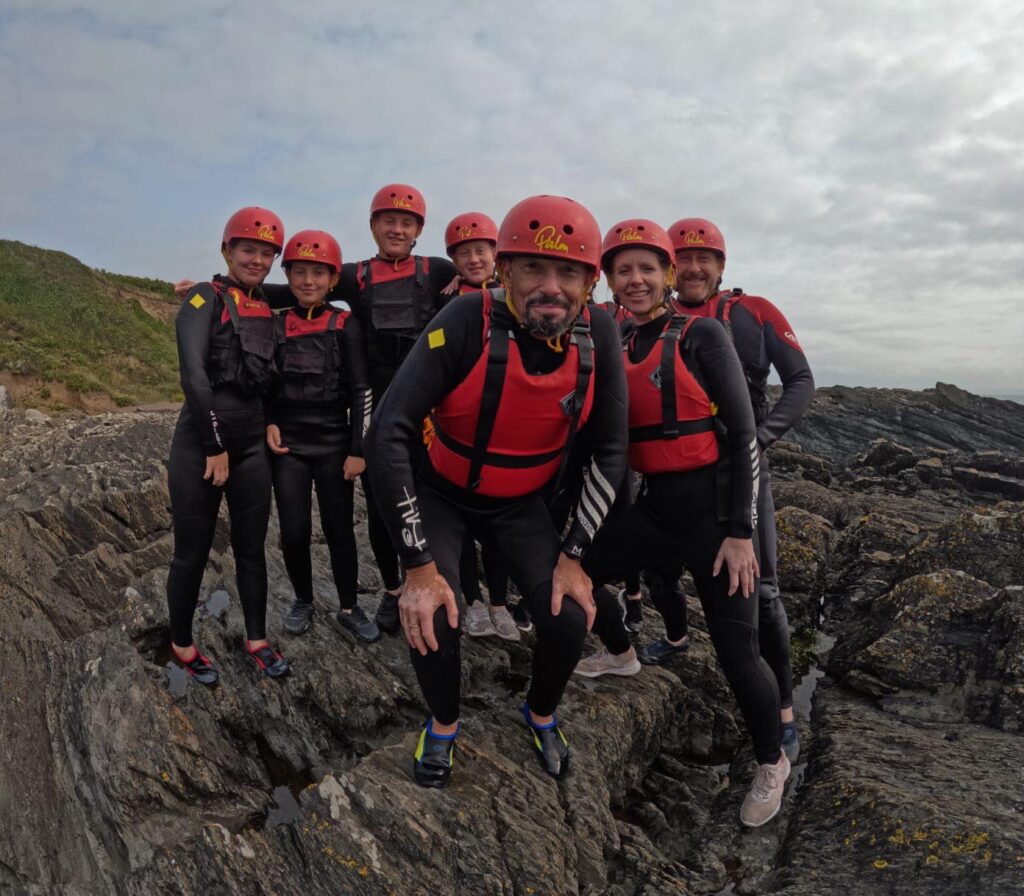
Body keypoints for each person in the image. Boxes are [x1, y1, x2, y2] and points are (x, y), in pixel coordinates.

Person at [366, 195, 628, 787]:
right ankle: (443, 722)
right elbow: (390, 428)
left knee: (568, 615)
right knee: (435, 610)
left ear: (590, 282)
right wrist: (417, 565)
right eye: (533, 268)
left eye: (568, 272)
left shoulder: (599, 333)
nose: (550, 287)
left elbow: (611, 451)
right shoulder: (465, 319)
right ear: (504, 271)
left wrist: (574, 557)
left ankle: (539, 713)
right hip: (443, 492)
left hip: (519, 503)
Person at [572, 218, 789, 827]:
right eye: (623, 270)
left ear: (667, 275)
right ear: (609, 280)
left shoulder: (703, 334)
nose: (635, 279)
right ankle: (621, 652)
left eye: (647, 268)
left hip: (716, 515)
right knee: (574, 571)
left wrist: (742, 534)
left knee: (735, 650)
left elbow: (745, 436)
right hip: (657, 508)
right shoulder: (614, 338)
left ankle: (772, 761)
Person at [667, 217, 815, 763]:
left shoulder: (754, 312)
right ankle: (670, 640)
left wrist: (761, 437)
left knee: (766, 591)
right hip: (671, 472)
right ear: (669, 265)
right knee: (659, 569)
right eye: (683, 257)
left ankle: (781, 710)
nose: (694, 267)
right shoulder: (649, 317)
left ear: (722, 266)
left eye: (705, 258)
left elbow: (801, 379)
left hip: (741, 470)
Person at [167, 207, 290, 685]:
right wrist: (215, 445)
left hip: (252, 444)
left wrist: (271, 422)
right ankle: (181, 643)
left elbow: (315, 289)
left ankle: (256, 640)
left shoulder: (265, 305)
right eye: (247, 249)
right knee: (191, 552)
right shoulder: (203, 299)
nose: (256, 259)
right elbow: (193, 377)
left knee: (252, 549)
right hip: (202, 441)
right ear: (227, 250)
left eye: (266, 252)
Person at [264, 230, 378, 642]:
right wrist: (269, 422)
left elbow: (362, 389)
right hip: (289, 446)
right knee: (293, 530)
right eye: (299, 272)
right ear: (289, 276)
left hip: (334, 445)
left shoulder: (345, 324)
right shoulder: (276, 325)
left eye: (317, 273)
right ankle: (303, 600)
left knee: (339, 529)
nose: (307, 281)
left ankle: (349, 606)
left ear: (332, 279)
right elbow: (266, 384)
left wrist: (357, 449)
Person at [440, 212, 517, 641]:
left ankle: (500, 604)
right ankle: (473, 601)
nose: (473, 259)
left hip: (507, 422)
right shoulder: (446, 300)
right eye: (464, 253)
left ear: (496, 254)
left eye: (481, 251)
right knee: (465, 524)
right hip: (461, 423)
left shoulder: (517, 297)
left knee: (497, 526)